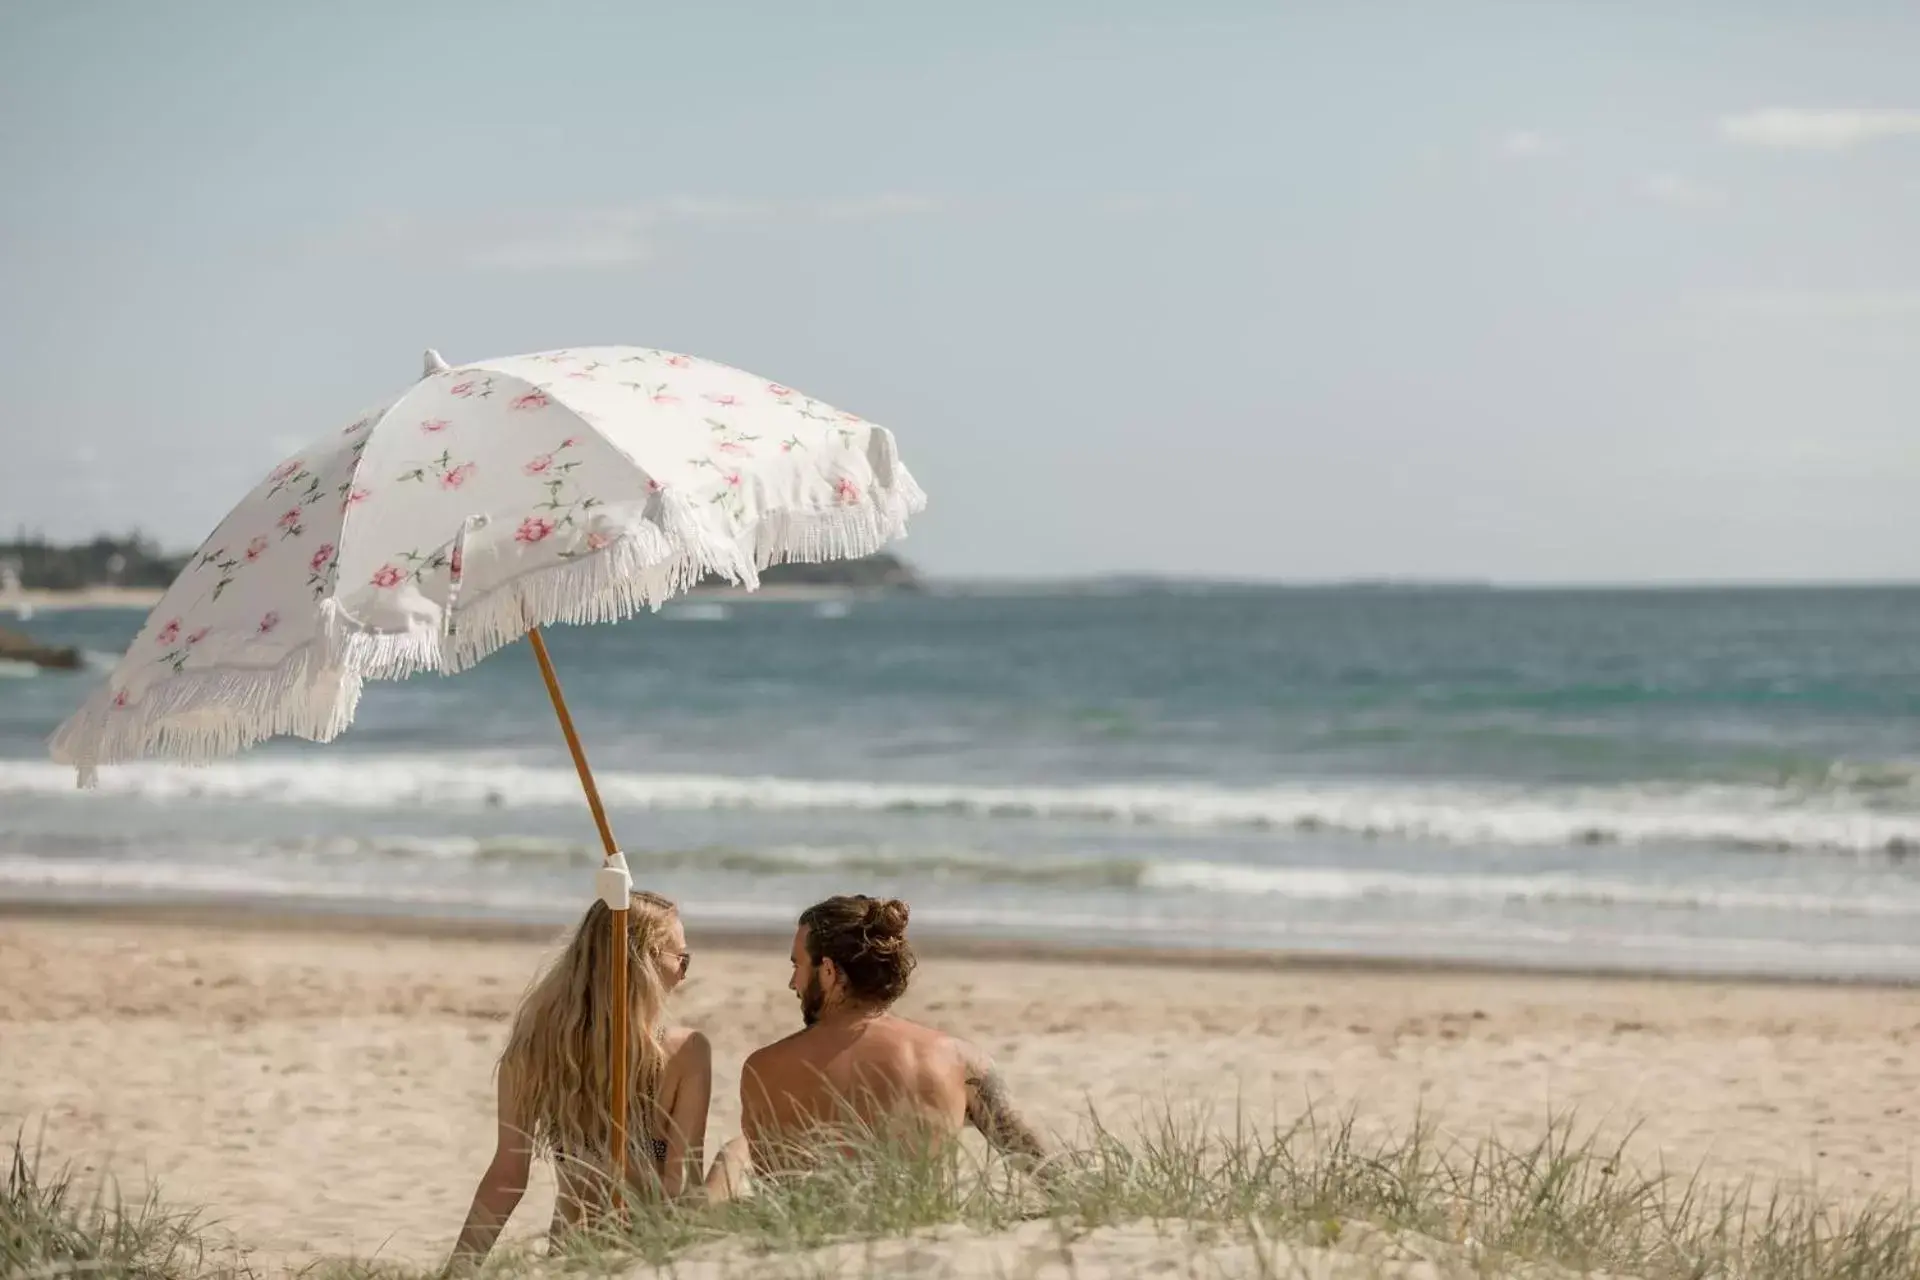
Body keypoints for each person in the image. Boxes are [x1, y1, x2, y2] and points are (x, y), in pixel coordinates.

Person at [705, 894, 1050, 1199]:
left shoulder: (764, 1069)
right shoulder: (961, 1061)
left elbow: (774, 1185)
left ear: (828, 971)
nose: (793, 982)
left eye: (797, 965)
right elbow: (1046, 1168)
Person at [445, 890, 711, 1271]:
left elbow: (507, 1176)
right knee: (735, 1156)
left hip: (569, 1253)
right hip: (649, 1253)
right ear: (646, 963)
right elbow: (680, 1183)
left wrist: (458, 1271)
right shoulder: (686, 1051)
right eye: (681, 959)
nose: (684, 973)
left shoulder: (535, 1050)